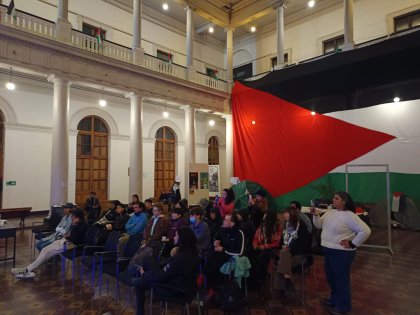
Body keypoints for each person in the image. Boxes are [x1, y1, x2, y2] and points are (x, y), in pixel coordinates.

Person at [312, 191, 371, 315]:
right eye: (333, 198)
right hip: (328, 250)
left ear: (344, 201)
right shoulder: (330, 212)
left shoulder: (350, 216)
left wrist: (353, 243)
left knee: (341, 280)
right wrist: (316, 215)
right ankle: (335, 299)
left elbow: (365, 231)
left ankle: (343, 307)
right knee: (331, 277)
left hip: (342, 253)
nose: (333, 200)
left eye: (336, 198)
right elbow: (318, 225)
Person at [132, 227, 199, 315]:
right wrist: (156, 267)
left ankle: (140, 312)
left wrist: (145, 274)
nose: (174, 237)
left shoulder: (181, 258)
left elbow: (160, 277)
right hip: (182, 283)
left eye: (176, 235)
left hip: (173, 288)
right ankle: (142, 277)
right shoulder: (190, 252)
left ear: (182, 239)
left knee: (137, 281)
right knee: (147, 259)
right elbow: (168, 263)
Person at [11, 209, 88, 279]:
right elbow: (70, 235)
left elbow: (75, 239)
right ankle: (29, 268)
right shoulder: (77, 224)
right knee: (45, 249)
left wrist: (70, 233)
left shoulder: (82, 225)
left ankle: (28, 270)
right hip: (65, 241)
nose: (72, 218)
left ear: (78, 217)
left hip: (71, 245)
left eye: (73, 216)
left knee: (47, 252)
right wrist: (68, 235)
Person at [204, 213, 244, 300]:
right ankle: (211, 288)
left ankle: (214, 289)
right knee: (209, 258)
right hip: (220, 253)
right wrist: (215, 243)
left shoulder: (239, 233)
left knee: (213, 265)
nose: (223, 221)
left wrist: (223, 250)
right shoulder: (222, 230)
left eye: (226, 220)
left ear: (232, 223)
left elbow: (240, 252)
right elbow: (217, 239)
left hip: (231, 255)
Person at [275, 207, 311, 295]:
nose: (284, 215)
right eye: (284, 213)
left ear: (293, 214)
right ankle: (287, 281)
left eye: (287, 213)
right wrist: (284, 247)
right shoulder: (286, 225)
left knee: (281, 261)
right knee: (283, 254)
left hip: (299, 255)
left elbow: (304, 245)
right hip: (287, 255)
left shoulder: (301, 226)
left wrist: (289, 249)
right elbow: (281, 243)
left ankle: (285, 283)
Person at [253, 210, 282, 283]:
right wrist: (255, 244)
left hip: (272, 249)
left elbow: (277, 242)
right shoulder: (262, 225)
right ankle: (252, 275)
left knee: (261, 258)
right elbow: (256, 237)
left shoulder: (277, 227)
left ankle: (262, 276)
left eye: (265, 213)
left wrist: (265, 246)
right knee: (248, 252)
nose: (264, 215)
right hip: (261, 247)